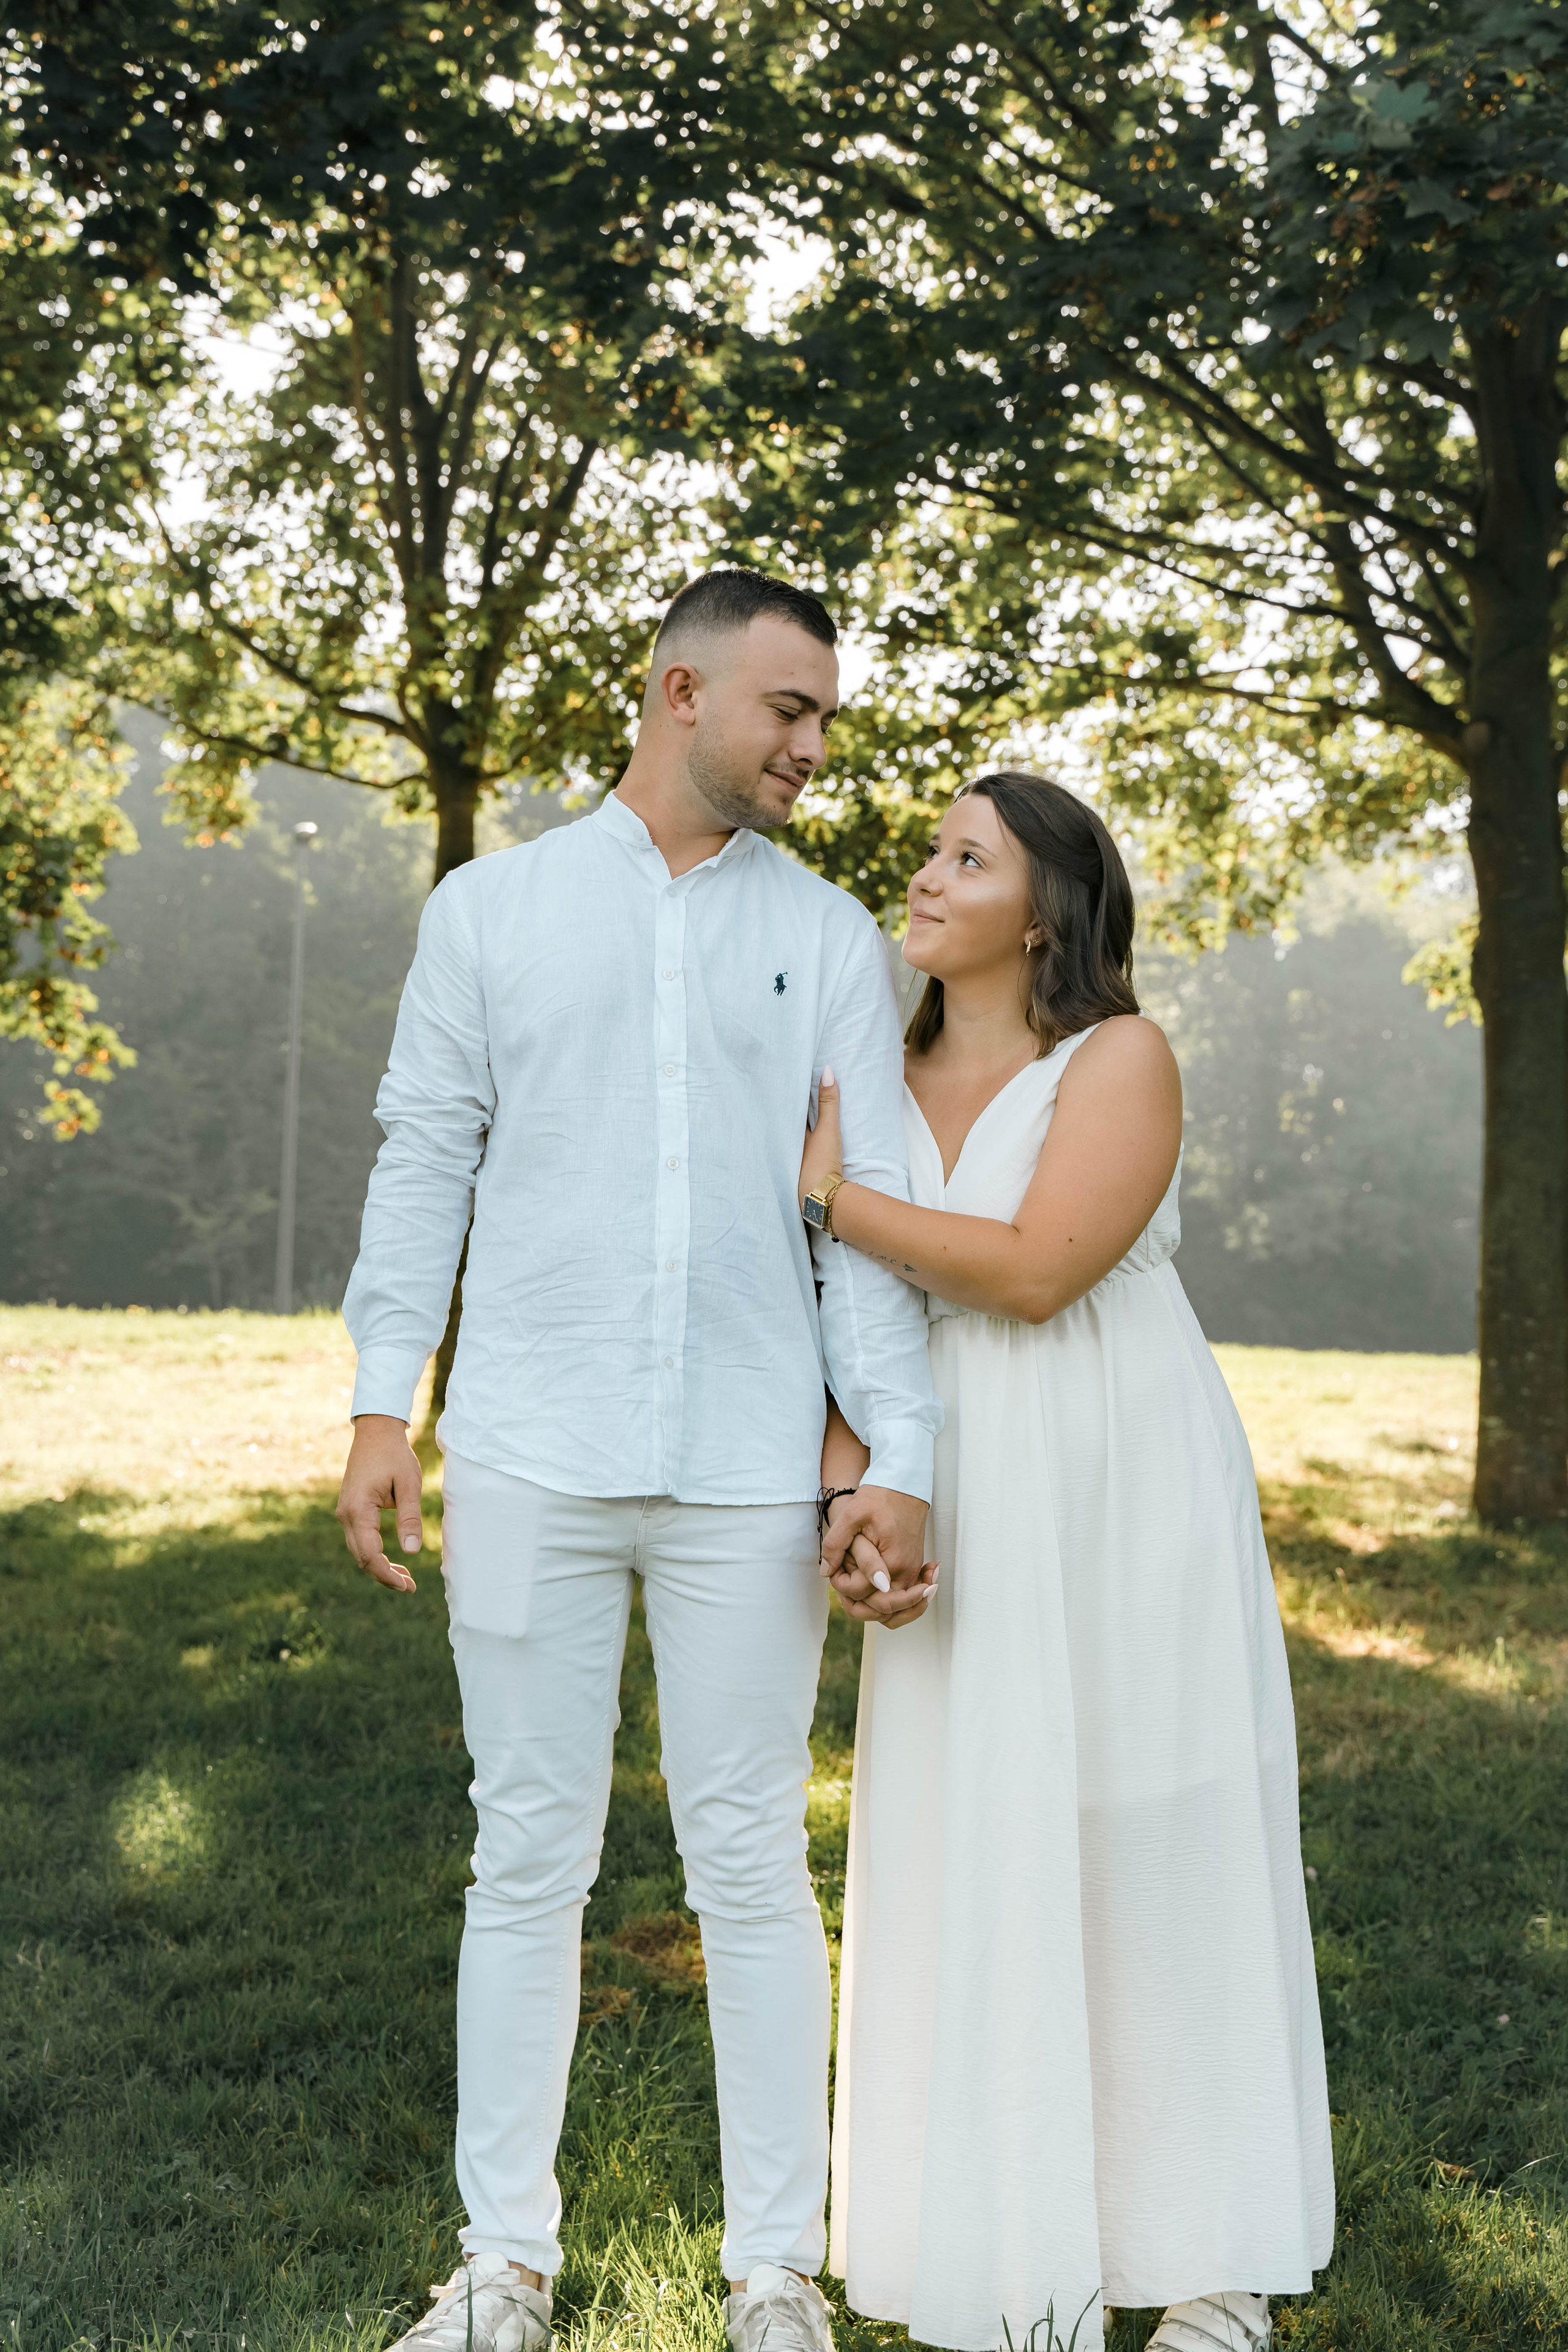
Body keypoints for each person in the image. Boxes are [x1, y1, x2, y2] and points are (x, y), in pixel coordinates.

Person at [334, 568, 941, 2352]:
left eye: (825, 714)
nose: (815, 746)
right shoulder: (490, 911)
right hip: (528, 1444)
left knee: (751, 1859)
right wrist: (387, 1405)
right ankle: (502, 2266)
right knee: (527, 1857)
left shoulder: (832, 937)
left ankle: (775, 2271)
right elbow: (421, 1159)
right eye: (789, 711)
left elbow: (864, 1229)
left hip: (753, 1469)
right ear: (679, 693)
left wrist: (885, 1455)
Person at [802, 772, 1335, 2352]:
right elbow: (826, 1313)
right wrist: (855, 1488)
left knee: (1150, 1830)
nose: (924, 871)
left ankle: (1214, 2262)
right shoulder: (869, 1076)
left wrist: (834, 1196)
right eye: (928, 846)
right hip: (941, 1482)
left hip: (1116, 1478)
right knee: (973, 1835)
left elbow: (1039, 1272)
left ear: (1044, 906)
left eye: (968, 856)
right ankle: (997, 2236)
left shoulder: (1121, 1057)